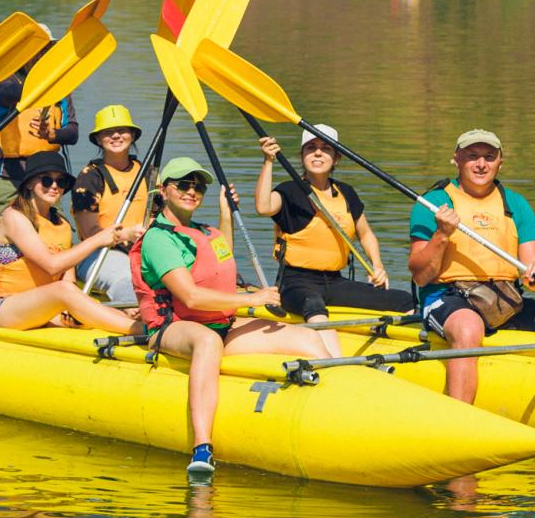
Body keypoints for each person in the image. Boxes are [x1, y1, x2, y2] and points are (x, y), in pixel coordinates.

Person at [130, 158, 338, 478]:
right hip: (173, 326)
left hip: (220, 324)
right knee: (208, 341)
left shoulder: (205, 230)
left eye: (198, 186)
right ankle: (202, 446)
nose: (191, 191)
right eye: (183, 185)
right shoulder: (160, 238)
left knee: (307, 337)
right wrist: (252, 299)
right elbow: (191, 297)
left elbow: (220, 255)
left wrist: (225, 215)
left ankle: (335, 404)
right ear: (164, 190)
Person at [408, 128, 535, 405]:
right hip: (446, 297)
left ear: (500, 162)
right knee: (468, 329)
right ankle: (459, 416)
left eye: (489, 157)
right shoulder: (432, 203)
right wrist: (442, 234)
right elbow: (420, 276)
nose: (481, 164)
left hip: (504, 298)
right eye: (473, 156)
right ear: (456, 159)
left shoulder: (516, 204)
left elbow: (534, 272)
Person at [254, 125, 412, 322]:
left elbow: (366, 234)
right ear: (302, 155)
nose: (318, 153)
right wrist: (268, 161)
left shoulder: (346, 192)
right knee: (313, 304)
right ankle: (325, 349)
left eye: (326, 148)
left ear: (336, 158)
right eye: (311, 148)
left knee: (404, 300)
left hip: (336, 282)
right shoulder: (289, 191)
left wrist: (377, 266)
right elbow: (263, 206)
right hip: (296, 283)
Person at [0, 150, 139, 333]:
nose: (54, 186)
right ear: (29, 184)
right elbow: (52, 266)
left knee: (93, 308)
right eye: (46, 180)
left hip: (43, 307)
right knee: (64, 291)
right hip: (1, 309)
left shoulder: (62, 225)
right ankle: (142, 332)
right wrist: (99, 240)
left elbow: (68, 280)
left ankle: (146, 326)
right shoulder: (13, 217)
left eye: (60, 182)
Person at [0, 39, 78, 212]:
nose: (38, 55)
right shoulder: (6, 80)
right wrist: (42, 87)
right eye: (32, 49)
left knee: (52, 236)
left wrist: (52, 134)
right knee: (2, 235)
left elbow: (72, 134)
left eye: (45, 50)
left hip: (48, 180)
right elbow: (7, 94)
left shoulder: (60, 89)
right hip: (7, 177)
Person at [70, 104, 149, 304]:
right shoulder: (89, 178)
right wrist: (125, 235)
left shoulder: (147, 171)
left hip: (144, 251)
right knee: (129, 278)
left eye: (122, 130)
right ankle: (133, 317)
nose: (115, 136)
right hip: (100, 253)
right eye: (108, 132)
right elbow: (89, 232)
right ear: (98, 138)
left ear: (132, 135)